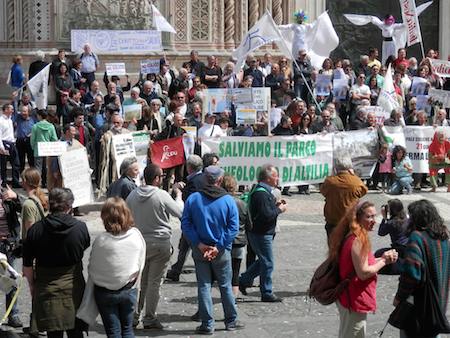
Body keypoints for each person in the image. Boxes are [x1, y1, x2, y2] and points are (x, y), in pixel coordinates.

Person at [181, 165, 243, 334]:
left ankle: (207, 324)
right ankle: (231, 320)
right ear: (220, 180)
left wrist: (199, 244)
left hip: (200, 249)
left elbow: (186, 224)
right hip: (221, 251)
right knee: (225, 285)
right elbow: (233, 227)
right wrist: (218, 246)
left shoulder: (193, 199)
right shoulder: (228, 200)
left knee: (204, 285)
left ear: (204, 179)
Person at [23, 188, 90, 337]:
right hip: (73, 288)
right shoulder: (80, 228)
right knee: (76, 332)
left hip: (47, 289)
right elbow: (84, 247)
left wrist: (32, 286)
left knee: (53, 334)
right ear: (69, 206)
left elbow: (27, 264)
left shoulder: (35, 230)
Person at [126, 163, 184, 329]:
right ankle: (150, 318)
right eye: (161, 176)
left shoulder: (132, 195)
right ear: (156, 178)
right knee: (154, 283)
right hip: (160, 243)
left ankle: (134, 316)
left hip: (139, 244)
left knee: (140, 282)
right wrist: (178, 196)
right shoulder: (161, 195)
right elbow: (179, 212)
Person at [77, 197, 146, 337]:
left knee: (113, 331)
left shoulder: (101, 240)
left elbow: (92, 268)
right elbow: (140, 263)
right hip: (129, 288)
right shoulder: (135, 236)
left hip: (105, 293)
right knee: (127, 329)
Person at [328, 201, 398, 337]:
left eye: (374, 216)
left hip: (349, 296)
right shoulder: (357, 239)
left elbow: (362, 263)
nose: (374, 221)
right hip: (353, 298)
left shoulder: (353, 234)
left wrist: (382, 258)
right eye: (369, 217)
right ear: (357, 218)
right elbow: (363, 272)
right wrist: (384, 261)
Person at [394, 199, 450, 338]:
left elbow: (412, 275)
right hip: (438, 302)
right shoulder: (443, 238)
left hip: (419, 305)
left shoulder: (416, 237)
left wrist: (399, 297)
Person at [239, 164, 287, 302]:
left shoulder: (263, 191)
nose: (278, 178)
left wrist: (275, 206)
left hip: (260, 232)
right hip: (261, 233)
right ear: (268, 177)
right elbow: (266, 215)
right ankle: (266, 292)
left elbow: (265, 212)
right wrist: (280, 210)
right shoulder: (261, 193)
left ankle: (243, 280)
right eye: (276, 175)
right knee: (268, 262)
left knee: (263, 261)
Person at [166, 154, 204, 282]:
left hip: (192, 220)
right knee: (184, 246)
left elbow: (185, 203)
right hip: (196, 220)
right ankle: (176, 270)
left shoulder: (194, 182)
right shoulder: (202, 178)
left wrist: (177, 191)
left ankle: (178, 270)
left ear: (189, 167)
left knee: (190, 246)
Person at [320, 156, 368, 239]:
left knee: (333, 249)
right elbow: (364, 190)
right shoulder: (356, 181)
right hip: (350, 220)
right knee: (349, 247)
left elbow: (323, 191)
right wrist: (353, 175)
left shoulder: (330, 181)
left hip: (333, 221)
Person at [222, 174, 249, 298]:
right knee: (236, 271)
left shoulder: (221, 203)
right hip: (239, 241)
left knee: (223, 271)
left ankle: (226, 296)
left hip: (225, 241)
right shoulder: (242, 204)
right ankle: (233, 299)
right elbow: (249, 223)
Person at [0, 184, 23, 328]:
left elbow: (25, 207)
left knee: (12, 280)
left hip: (9, 245)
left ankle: (13, 315)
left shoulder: (7, 196)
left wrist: (17, 197)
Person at [375, 199, 408, 275]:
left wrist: (384, 218)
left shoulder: (392, 222)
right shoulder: (406, 218)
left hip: (399, 249)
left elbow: (381, 233)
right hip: (410, 247)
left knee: (378, 253)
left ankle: (398, 266)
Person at [20, 168, 48, 240]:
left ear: (25, 181)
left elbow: (30, 232)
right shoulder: (39, 198)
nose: (20, 182)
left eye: (22, 179)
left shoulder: (28, 204)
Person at [0, 103, 21, 188]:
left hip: (12, 143)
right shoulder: (1, 120)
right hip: (4, 143)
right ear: (5, 110)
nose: (12, 111)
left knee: (16, 163)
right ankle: (3, 182)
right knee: (3, 164)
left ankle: (15, 181)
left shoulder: (10, 119)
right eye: (11, 109)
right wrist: (1, 147)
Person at [15, 105, 35, 173]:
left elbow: (36, 129)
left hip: (30, 141)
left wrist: (32, 134)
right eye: (22, 111)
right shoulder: (18, 118)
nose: (23, 113)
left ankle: (32, 176)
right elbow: (14, 110)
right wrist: (14, 100)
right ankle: (22, 177)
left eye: (24, 111)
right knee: (20, 161)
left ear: (28, 112)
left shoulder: (33, 119)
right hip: (20, 141)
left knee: (31, 160)